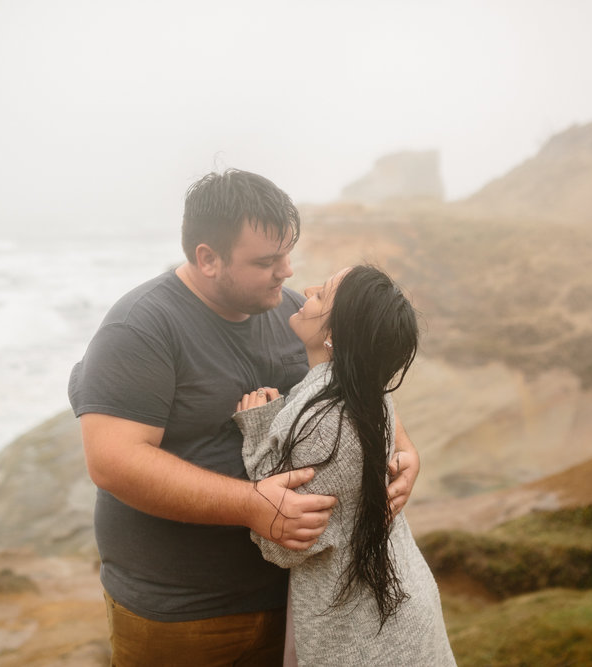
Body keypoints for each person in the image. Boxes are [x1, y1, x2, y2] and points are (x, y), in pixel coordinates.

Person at [68, 170, 422, 665]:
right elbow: (112, 461)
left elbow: (358, 383)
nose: (288, 272)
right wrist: (251, 505)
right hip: (182, 613)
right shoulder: (140, 328)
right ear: (207, 258)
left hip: (295, 604)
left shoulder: (295, 312)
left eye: (286, 253)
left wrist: (404, 451)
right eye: (266, 261)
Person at [233, 265, 456, 666]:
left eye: (322, 295)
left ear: (335, 335)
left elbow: (281, 543)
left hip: (366, 635)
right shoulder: (368, 391)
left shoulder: (322, 424)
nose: (307, 290)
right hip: (398, 604)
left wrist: (258, 428)